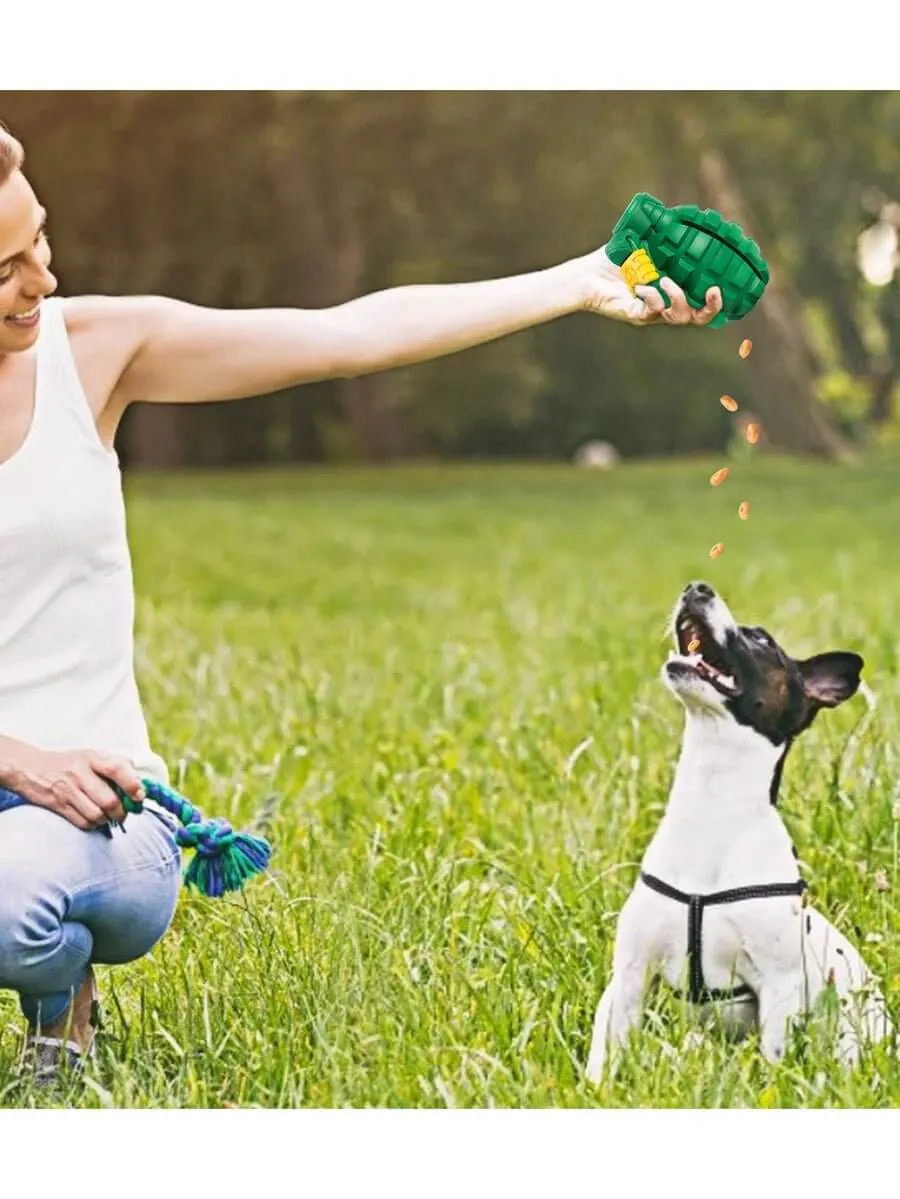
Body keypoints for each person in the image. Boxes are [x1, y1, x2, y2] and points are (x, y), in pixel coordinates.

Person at [0, 121, 723, 1085]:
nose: (41, 279)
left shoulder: (89, 351)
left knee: (12, 899)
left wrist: (580, 277)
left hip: (102, 821)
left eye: (39, 240)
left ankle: (63, 1014)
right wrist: (20, 762)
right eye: (6, 268)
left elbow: (346, 334)